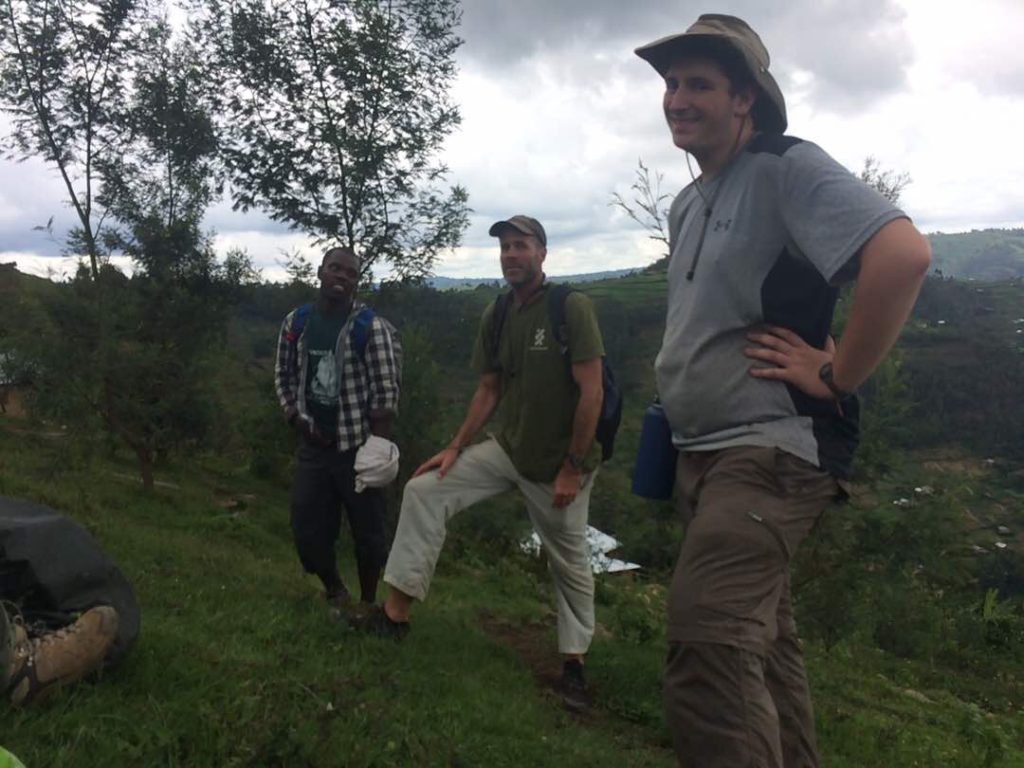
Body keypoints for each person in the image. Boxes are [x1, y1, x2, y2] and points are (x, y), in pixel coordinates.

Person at [633, 14, 931, 768]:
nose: (677, 99)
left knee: (708, 642)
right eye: (671, 83)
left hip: (768, 450)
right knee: (762, 649)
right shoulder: (689, 201)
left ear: (745, 99)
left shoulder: (784, 165)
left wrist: (838, 373)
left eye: (700, 84)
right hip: (702, 455)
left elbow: (902, 254)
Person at [353, 215, 604, 712]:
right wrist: (455, 446)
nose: (511, 254)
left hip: (559, 463)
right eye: (505, 247)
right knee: (425, 490)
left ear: (542, 253)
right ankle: (394, 616)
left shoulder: (570, 307)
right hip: (510, 449)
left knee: (569, 560)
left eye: (521, 245)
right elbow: (490, 388)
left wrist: (572, 468)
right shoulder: (499, 312)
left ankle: (574, 666)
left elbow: (591, 391)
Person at [274, 246, 402, 610]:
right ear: (320, 272)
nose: (342, 277)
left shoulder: (370, 328)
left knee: (369, 533)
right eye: (335, 269)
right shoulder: (297, 322)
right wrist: (295, 417)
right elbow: (283, 374)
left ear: (357, 282)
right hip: (314, 445)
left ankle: (367, 604)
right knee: (306, 525)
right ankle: (335, 590)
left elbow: (385, 391)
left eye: (351, 274)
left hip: (358, 449)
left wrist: (377, 451)